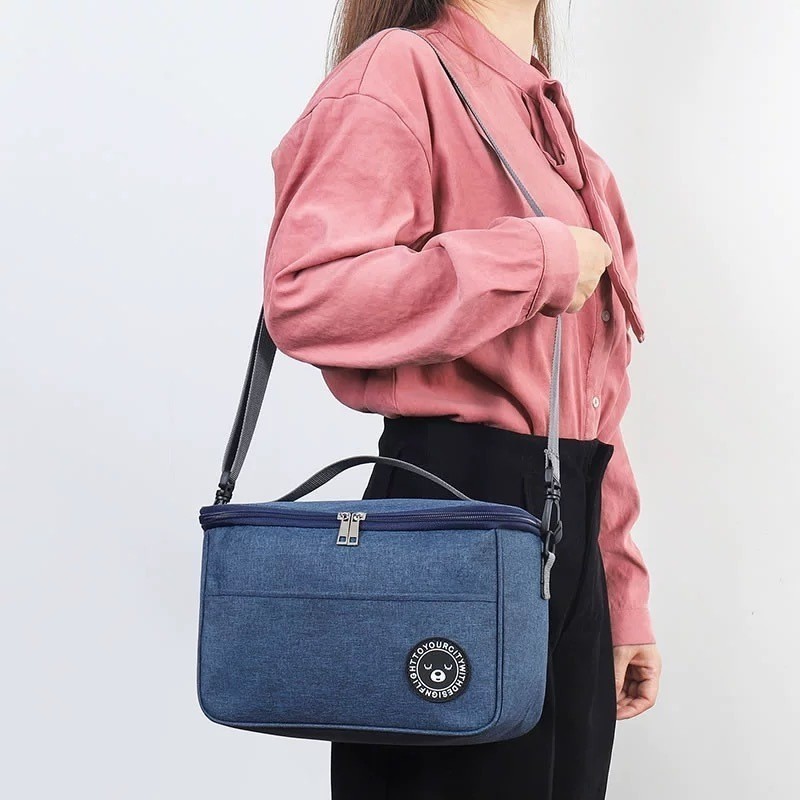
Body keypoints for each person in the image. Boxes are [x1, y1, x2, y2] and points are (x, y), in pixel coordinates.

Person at [262, 1, 662, 797]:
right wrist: (533, 263)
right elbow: (308, 293)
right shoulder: (398, 71)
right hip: (453, 518)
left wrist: (621, 594)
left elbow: (597, 400)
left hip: (567, 536)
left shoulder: (572, 154)